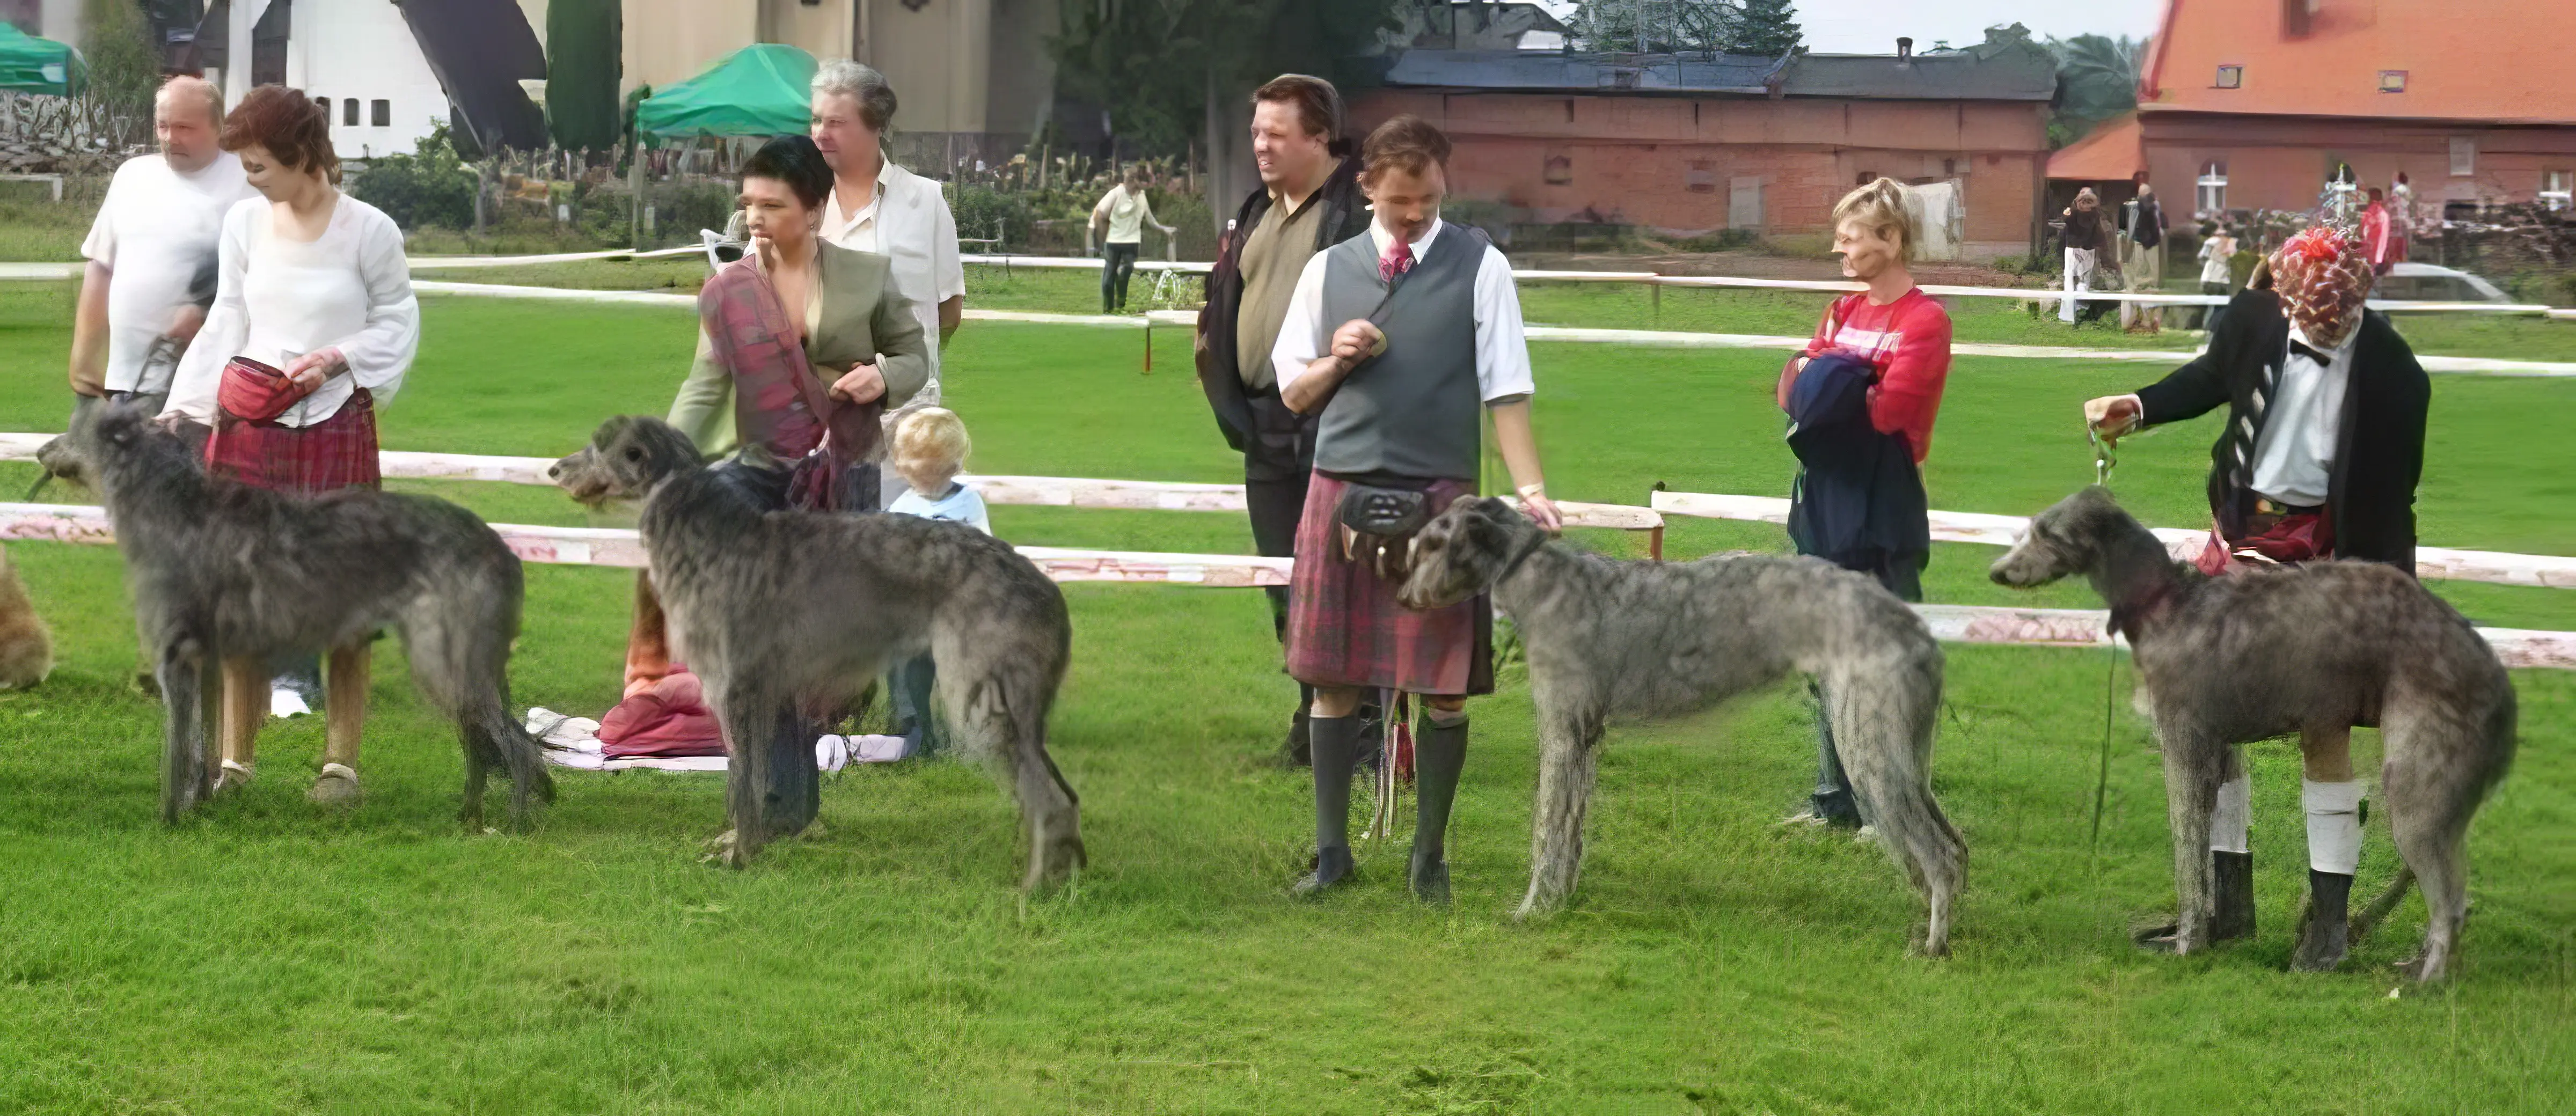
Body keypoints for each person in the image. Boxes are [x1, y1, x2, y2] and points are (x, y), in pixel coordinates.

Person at [2082, 223, 2430, 958]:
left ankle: (2328, 928)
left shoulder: (2397, 376)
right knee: (2206, 710)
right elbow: (2211, 380)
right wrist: (2137, 407)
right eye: (2301, 311)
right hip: (2236, 529)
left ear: (2359, 304)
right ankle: (2224, 904)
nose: (2316, 326)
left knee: (2322, 729)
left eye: (2332, 322)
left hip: (2326, 559)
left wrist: (2388, 607)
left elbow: (2394, 498)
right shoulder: (2252, 317)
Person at [1272, 115, 1562, 902]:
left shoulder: (1481, 265)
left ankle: (1429, 858)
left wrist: (1530, 490)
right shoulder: (1326, 270)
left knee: (1442, 689)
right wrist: (1337, 357)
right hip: (1340, 490)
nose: (1416, 215)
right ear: (1367, 187)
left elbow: (1506, 389)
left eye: (1429, 200)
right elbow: (1294, 393)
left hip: (1442, 501)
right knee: (1332, 680)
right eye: (1401, 201)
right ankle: (1332, 854)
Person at [160, 85, 421, 806]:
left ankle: (340, 766)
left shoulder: (370, 231)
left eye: (258, 164)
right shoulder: (244, 224)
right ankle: (237, 764)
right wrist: (184, 405)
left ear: (303, 156)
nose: (248, 178)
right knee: (239, 594)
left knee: (345, 596)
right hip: (248, 428)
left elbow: (399, 318)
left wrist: (338, 359)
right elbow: (230, 317)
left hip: (335, 423)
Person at [635, 135, 930, 695]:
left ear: (816, 210)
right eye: (748, 204)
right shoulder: (729, 289)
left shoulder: (868, 276)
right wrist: (666, 461)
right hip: (761, 460)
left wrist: (883, 377)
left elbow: (917, 356)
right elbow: (703, 385)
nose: (754, 218)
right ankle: (662, 682)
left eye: (772, 206)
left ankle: (838, 685)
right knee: (686, 523)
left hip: (846, 463)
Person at [1194, 73, 1374, 764]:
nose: (1260, 146)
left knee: (1347, 582)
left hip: (1337, 426)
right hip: (1263, 428)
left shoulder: (1360, 212)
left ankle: (1363, 739)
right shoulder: (1256, 209)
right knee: (1284, 581)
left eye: (1276, 133)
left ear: (1321, 137)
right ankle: (1312, 726)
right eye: (1255, 133)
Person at [1773, 178, 1951, 830]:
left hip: (1884, 501)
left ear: (1892, 240)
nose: (1838, 248)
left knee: (1889, 655)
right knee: (1824, 649)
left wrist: (1830, 385)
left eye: (1850, 238)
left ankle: (1894, 808)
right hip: (1824, 495)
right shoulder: (1841, 312)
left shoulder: (1925, 320)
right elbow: (1793, 389)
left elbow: (1894, 412)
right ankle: (1835, 800)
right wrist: (1840, 383)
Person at [809, 59, 964, 505]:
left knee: (908, 557)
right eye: (817, 119)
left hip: (909, 427)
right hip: (818, 426)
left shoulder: (926, 201)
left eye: (836, 122)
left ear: (875, 125)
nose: (821, 132)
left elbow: (948, 312)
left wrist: (900, 369)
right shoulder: (796, 202)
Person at [71, 76, 254, 418]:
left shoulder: (250, 182)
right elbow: (100, 266)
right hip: (124, 381)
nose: (171, 139)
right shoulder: (132, 176)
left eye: (185, 127)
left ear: (219, 127)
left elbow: (270, 277)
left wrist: (206, 313)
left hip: (206, 386)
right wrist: (84, 358)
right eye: (163, 126)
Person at [880, 407, 992, 759]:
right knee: (911, 671)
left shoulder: (966, 503)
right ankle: (918, 733)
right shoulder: (903, 508)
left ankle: (958, 733)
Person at [1089, 164, 1175, 313]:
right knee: (1109, 275)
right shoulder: (1116, 193)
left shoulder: (1142, 197)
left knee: (1128, 268)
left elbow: (1149, 219)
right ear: (1131, 181)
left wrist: (1164, 229)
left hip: (1132, 241)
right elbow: (1099, 213)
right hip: (1113, 241)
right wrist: (1102, 238)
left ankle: (1120, 302)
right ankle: (1108, 308)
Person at [2119, 175, 2167, 333]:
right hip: (2139, 241)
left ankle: (2149, 317)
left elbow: (2161, 221)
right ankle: (2140, 316)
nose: (2143, 197)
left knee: (2153, 276)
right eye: (2142, 194)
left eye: (2146, 194)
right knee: (2139, 273)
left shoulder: (2153, 205)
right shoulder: (2134, 206)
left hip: (2152, 243)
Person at [2058, 188, 2108, 325]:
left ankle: (2068, 315)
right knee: (2084, 280)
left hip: (2073, 249)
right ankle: (2081, 307)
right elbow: (2099, 231)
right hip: (2088, 250)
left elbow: (2066, 221)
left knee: (2069, 280)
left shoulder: (2072, 213)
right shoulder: (2095, 214)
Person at [2192, 221, 2237, 334]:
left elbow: (2201, 257)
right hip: (2221, 280)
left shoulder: (2210, 242)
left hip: (2207, 279)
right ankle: (2213, 328)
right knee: (2220, 307)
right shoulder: (2231, 243)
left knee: (2210, 305)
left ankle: (2206, 327)